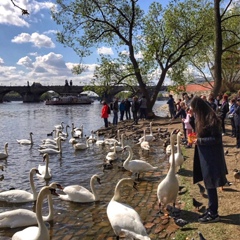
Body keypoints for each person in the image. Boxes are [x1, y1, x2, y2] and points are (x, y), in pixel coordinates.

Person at [190, 96, 228, 223]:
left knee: (211, 184)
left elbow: (216, 139)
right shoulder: (202, 118)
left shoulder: (212, 119)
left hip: (211, 157)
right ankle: (211, 209)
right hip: (205, 156)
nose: (194, 113)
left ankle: (214, 214)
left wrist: (199, 141)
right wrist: (190, 118)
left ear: (199, 109)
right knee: (208, 184)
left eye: (194, 111)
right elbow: (199, 131)